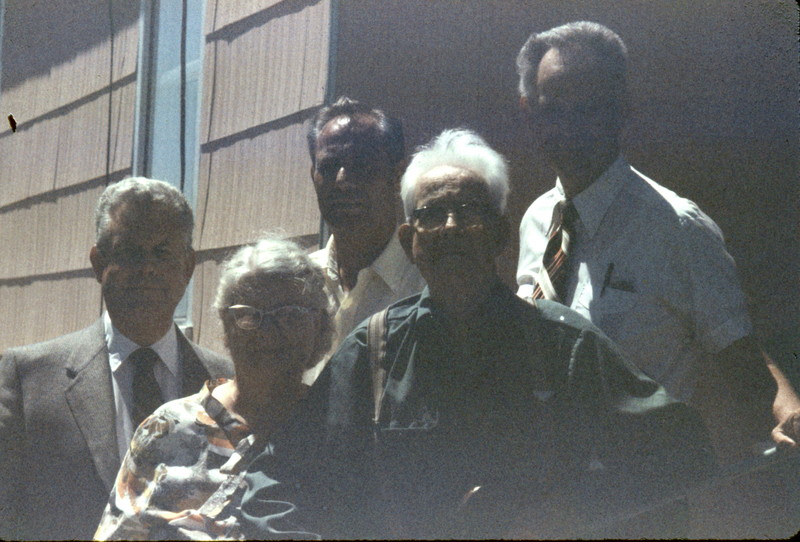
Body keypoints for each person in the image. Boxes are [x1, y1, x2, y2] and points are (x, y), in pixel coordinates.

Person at [239, 129, 716, 539]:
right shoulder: (374, 350)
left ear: (499, 234)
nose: (451, 228)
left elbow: (681, 455)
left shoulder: (562, 345)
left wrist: (571, 512)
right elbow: (272, 482)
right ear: (410, 241)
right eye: (431, 214)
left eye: (470, 211)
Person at [514, 21, 800, 461]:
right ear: (529, 112)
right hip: (556, 488)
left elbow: (744, 361)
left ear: (622, 110)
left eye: (589, 108)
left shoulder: (677, 228)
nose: (570, 126)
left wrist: (787, 417)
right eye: (554, 108)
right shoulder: (536, 220)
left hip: (649, 491)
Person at [0, 177, 232, 540]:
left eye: (162, 253)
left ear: (187, 266)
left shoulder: (227, 385)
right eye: (129, 253)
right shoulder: (27, 380)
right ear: (98, 263)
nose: (147, 268)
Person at [94, 235, 331, 540]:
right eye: (249, 315)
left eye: (289, 316)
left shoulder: (333, 432)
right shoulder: (167, 429)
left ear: (320, 326)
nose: (268, 334)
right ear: (226, 326)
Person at [304, 96, 425, 382]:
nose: (343, 180)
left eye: (361, 165)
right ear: (313, 175)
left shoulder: (427, 283)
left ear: (397, 176)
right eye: (330, 167)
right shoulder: (299, 284)